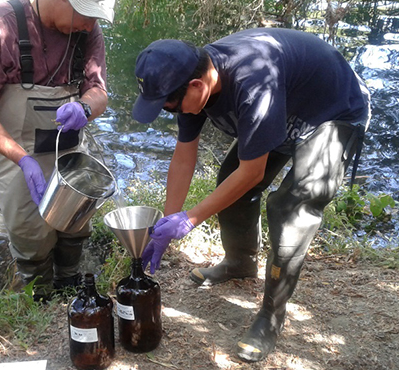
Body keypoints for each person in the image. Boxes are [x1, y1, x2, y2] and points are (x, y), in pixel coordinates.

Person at [132, 28, 371, 362]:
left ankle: (271, 317)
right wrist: (168, 224)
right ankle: (240, 262)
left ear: (197, 86)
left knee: (291, 211)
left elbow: (252, 173)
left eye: (170, 105)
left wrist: (191, 218)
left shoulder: (251, 81)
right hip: (283, 109)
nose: (171, 111)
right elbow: (184, 156)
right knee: (229, 182)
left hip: (331, 114)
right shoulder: (191, 84)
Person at [0, 0, 115, 301]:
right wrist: (22, 159)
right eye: (86, 15)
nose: (90, 25)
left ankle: (69, 282)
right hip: (15, 150)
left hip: (68, 145)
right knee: (31, 233)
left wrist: (84, 107)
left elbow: (99, 93)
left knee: (75, 221)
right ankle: (38, 296)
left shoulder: (88, 29)